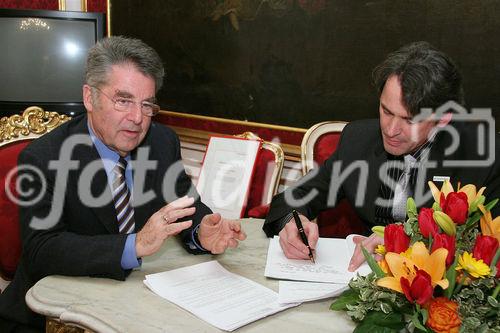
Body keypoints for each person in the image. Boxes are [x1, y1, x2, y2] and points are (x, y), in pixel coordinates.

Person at [0, 36, 246, 332]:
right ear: (90, 98)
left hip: (134, 304)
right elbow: (42, 249)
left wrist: (200, 231)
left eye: (146, 105)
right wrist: (135, 244)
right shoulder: (44, 158)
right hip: (50, 317)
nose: (137, 119)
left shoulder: (161, 142)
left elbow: (183, 202)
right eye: (123, 100)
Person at [263, 41, 500, 271]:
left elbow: (490, 248)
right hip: (361, 282)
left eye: (410, 120)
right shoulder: (358, 140)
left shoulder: (483, 156)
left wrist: (406, 245)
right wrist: (292, 223)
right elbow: (294, 198)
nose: (391, 129)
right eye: (386, 111)